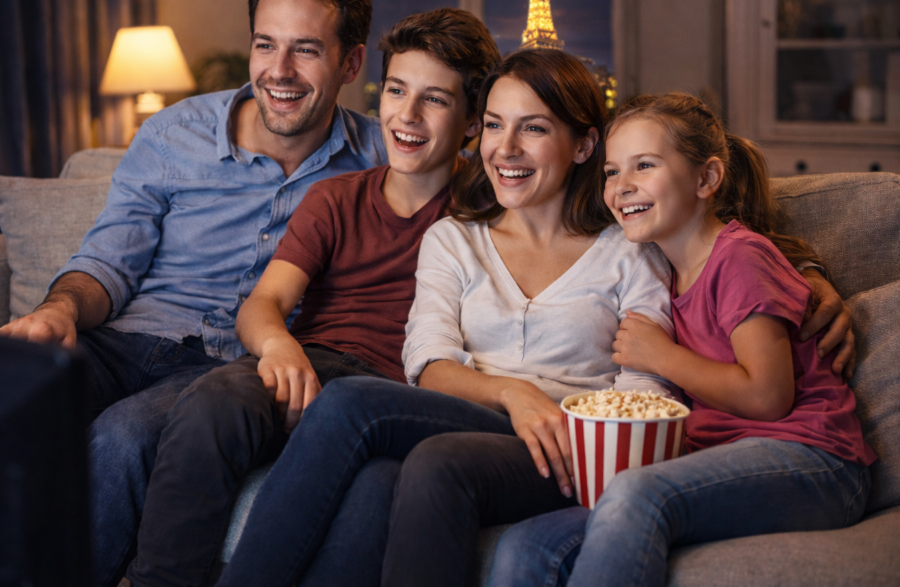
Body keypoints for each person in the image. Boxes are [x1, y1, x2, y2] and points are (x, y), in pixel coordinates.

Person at [217, 52, 860, 587]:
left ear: (584, 146)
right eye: (494, 125)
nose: (505, 148)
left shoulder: (632, 247)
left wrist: (808, 273)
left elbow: (660, 366)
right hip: (478, 416)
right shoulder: (453, 239)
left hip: (578, 444)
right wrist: (513, 394)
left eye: (533, 128)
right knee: (379, 468)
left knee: (366, 416)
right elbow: (427, 363)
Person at [0, 0, 384, 587]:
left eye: (306, 50)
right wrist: (57, 310)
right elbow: (108, 260)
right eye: (265, 44)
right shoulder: (175, 133)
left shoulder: (385, 160)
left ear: (351, 63)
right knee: (1, 398)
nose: (279, 71)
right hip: (123, 341)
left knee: (122, 440)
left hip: (229, 370)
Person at [124, 8, 500, 587]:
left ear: (473, 121)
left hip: (399, 393)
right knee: (212, 399)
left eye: (436, 99)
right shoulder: (335, 198)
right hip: (311, 366)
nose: (408, 115)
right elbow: (264, 303)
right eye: (396, 90)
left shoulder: (489, 211)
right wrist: (279, 347)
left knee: (375, 490)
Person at [499, 93, 874, 587]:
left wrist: (662, 356)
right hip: (721, 456)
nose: (622, 185)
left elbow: (768, 396)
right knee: (527, 543)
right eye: (611, 171)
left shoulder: (739, 258)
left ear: (706, 178)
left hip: (815, 461)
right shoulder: (664, 272)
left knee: (636, 493)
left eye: (644, 165)